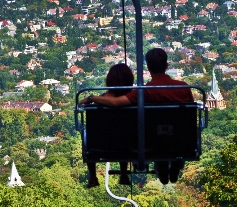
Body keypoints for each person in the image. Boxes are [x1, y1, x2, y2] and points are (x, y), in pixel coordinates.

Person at [80, 48, 194, 185]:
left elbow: (115, 103)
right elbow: (188, 117)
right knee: (169, 130)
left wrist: (92, 97)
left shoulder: (143, 93)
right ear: (166, 66)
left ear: (149, 67)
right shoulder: (183, 88)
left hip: (152, 142)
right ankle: (173, 161)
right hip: (181, 139)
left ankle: (162, 162)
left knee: (155, 133)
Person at [85, 63, 134, 188]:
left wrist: (90, 98)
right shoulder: (134, 99)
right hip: (130, 145)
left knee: (87, 134)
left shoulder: (99, 100)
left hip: (100, 145)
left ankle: (93, 176)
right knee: (124, 132)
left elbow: (80, 104)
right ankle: (123, 172)